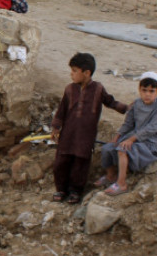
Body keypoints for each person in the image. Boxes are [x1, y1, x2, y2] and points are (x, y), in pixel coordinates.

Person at [50, 53, 128, 204]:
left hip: (86, 136)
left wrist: (127, 108)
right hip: (68, 135)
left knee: (81, 164)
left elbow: (110, 102)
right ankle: (61, 189)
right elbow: (61, 110)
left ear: (86, 73)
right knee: (61, 162)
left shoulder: (98, 89)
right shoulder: (69, 89)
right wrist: (55, 128)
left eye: (74, 71)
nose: (71, 74)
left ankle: (75, 191)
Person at [98, 71, 157, 196]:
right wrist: (117, 136)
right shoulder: (136, 104)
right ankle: (110, 175)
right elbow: (128, 123)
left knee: (122, 149)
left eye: (152, 91)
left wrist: (132, 139)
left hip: (148, 142)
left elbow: (152, 128)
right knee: (107, 148)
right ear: (139, 90)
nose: (147, 94)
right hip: (133, 137)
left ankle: (122, 184)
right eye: (144, 90)